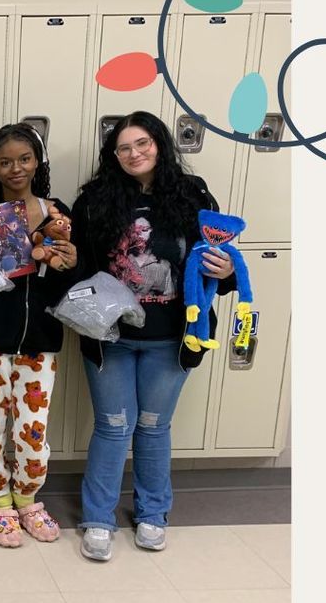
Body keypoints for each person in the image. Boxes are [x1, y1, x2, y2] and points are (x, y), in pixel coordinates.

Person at [70, 111, 236, 561]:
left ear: (159, 144)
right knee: (112, 426)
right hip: (110, 338)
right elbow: (81, 268)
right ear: (113, 154)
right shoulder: (95, 200)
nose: (133, 154)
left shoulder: (191, 196)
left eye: (141, 143)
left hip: (172, 338)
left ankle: (152, 514)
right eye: (123, 148)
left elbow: (214, 264)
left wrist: (226, 271)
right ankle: (99, 519)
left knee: (153, 426)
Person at [0, 123, 78, 547]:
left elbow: (70, 286)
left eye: (24, 159)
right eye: (5, 161)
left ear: (37, 162)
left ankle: (27, 499)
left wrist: (67, 264)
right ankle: (0, 503)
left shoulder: (58, 213)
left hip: (39, 344)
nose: (15, 168)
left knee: (33, 429)